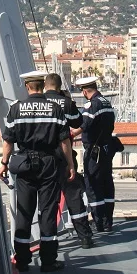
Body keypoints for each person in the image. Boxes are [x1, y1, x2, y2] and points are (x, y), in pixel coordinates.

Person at [0, 71, 76, 273]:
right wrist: (70, 165)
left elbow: (8, 141)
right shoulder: (54, 108)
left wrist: (4, 163)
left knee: (24, 211)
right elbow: (64, 141)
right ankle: (48, 260)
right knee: (48, 212)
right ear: (42, 86)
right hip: (49, 164)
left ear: (27, 87)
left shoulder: (16, 109)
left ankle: (22, 259)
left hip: (24, 164)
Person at [43, 73, 93, 248]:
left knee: (48, 201)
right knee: (74, 197)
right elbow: (78, 122)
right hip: (64, 157)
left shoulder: (39, 103)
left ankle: (48, 243)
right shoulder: (66, 103)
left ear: (45, 86)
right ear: (59, 87)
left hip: (44, 160)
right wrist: (68, 100)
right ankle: (85, 237)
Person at [72, 76, 116, 232]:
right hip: (106, 148)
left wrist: (72, 133)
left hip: (94, 151)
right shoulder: (106, 102)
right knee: (106, 183)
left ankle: (99, 222)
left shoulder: (91, 104)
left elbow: (86, 124)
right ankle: (108, 221)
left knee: (92, 185)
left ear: (84, 91)